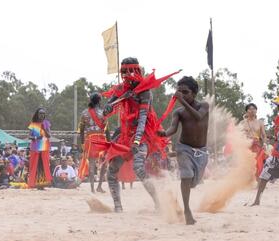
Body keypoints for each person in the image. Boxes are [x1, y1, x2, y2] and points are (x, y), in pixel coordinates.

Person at [102, 57, 174, 212]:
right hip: (125, 135)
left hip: (143, 135)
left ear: (137, 70)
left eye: (130, 70)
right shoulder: (121, 89)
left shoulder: (145, 92)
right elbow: (107, 108)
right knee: (112, 170)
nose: (127, 74)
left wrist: (137, 141)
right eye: (124, 71)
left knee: (139, 168)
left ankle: (158, 202)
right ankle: (118, 208)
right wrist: (107, 108)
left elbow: (143, 118)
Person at [157, 76, 209, 225]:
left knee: (193, 181)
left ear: (194, 93)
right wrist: (164, 133)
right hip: (184, 148)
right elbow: (173, 128)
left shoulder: (203, 106)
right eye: (179, 91)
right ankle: (187, 210)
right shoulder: (179, 112)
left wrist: (183, 101)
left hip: (201, 151)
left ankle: (184, 204)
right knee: (186, 176)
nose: (181, 94)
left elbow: (198, 117)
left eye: (185, 92)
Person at [79, 92, 107, 193]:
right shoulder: (103, 112)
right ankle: (99, 186)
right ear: (99, 100)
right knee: (104, 163)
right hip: (101, 139)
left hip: (90, 140)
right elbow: (106, 129)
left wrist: (82, 144)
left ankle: (92, 189)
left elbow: (81, 130)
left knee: (91, 164)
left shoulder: (84, 113)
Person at [27, 108, 52, 189]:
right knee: (36, 165)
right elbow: (29, 136)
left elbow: (49, 135)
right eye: (40, 113)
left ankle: (43, 184)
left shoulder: (46, 123)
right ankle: (35, 183)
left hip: (44, 147)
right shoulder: (33, 124)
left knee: (43, 165)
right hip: (35, 147)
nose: (42, 115)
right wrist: (36, 137)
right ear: (37, 114)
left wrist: (44, 129)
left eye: (43, 113)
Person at [241, 103, 267, 178]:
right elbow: (240, 135)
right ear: (246, 111)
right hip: (246, 146)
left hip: (257, 145)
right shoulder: (242, 123)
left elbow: (263, 135)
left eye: (254, 109)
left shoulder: (260, 122)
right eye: (250, 109)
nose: (252, 110)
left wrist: (265, 144)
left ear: (256, 111)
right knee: (247, 163)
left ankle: (258, 180)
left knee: (258, 163)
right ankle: (247, 181)